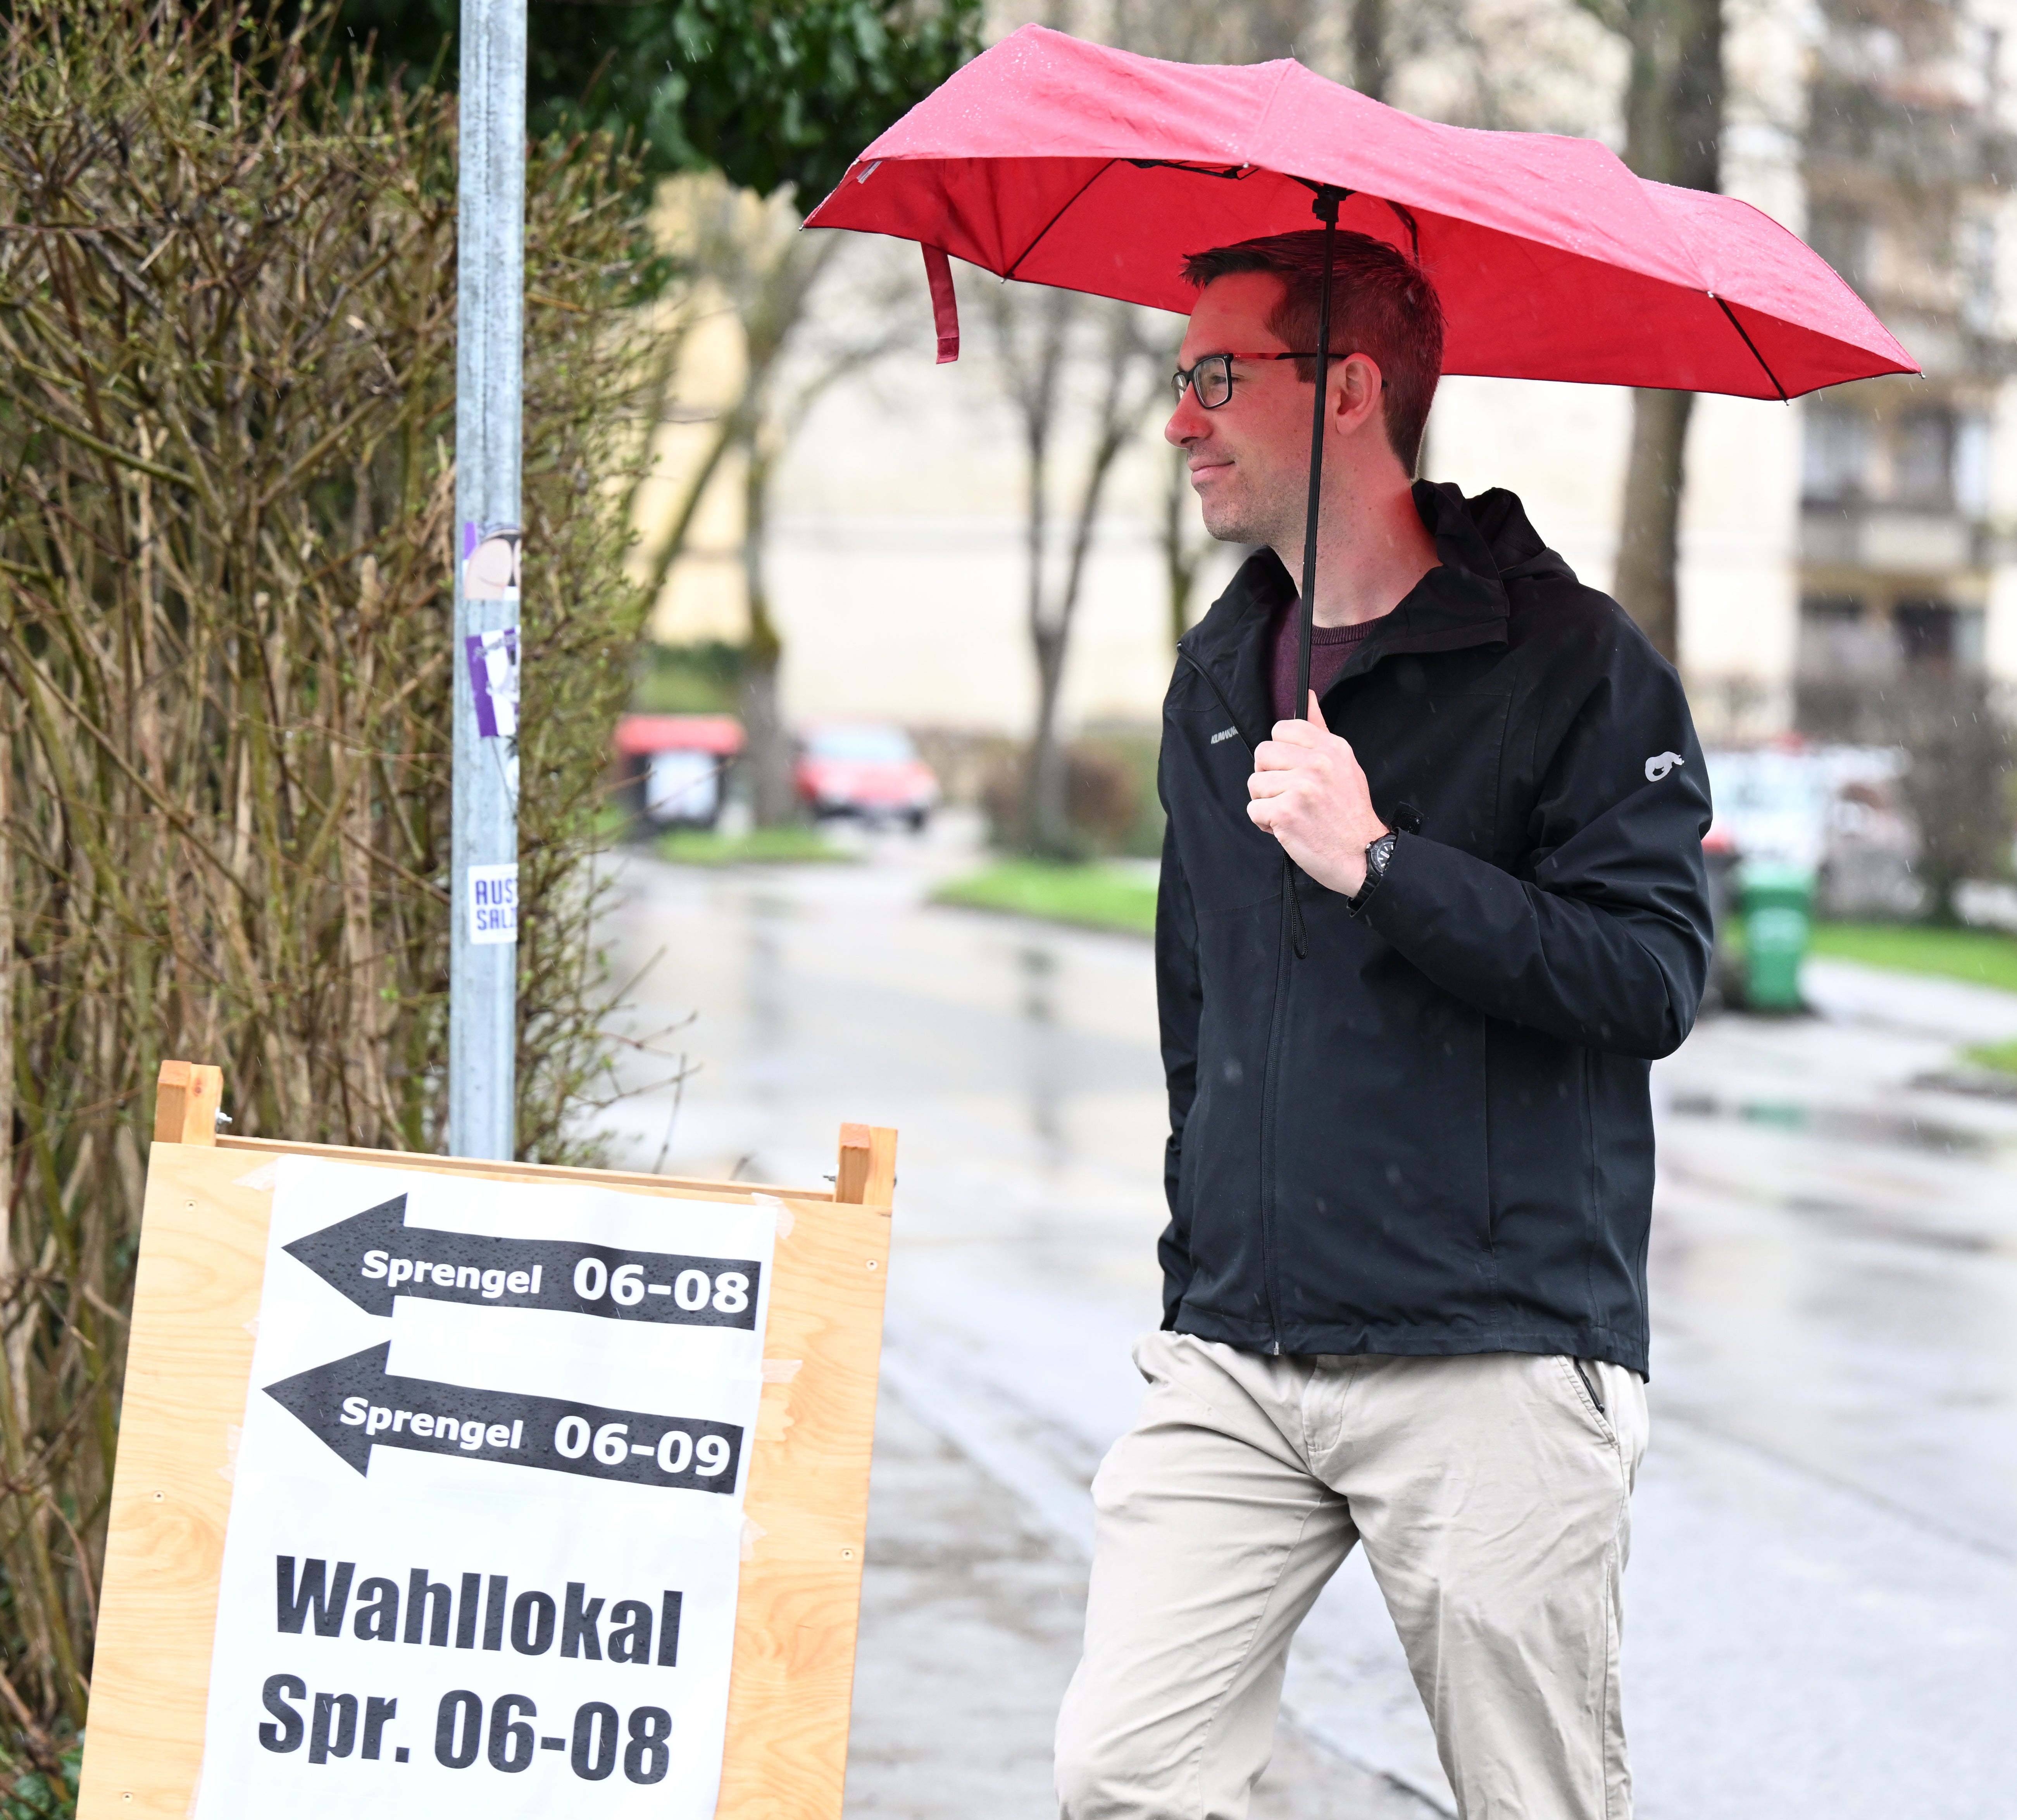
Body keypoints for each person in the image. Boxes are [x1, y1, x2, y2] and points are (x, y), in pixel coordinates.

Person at [1052, 229, 1714, 1820]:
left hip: (1488, 1345)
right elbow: (1196, 1006)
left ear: (1346, 390)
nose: (1180, 419)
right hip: (1238, 1351)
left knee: (1531, 1800)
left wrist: (1382, 864)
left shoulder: (1574, 664)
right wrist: (1196, 1277)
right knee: (1123, 1776)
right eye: (1179, 379)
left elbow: (1647, 978)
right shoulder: (1222, 673)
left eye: (1217, 376)